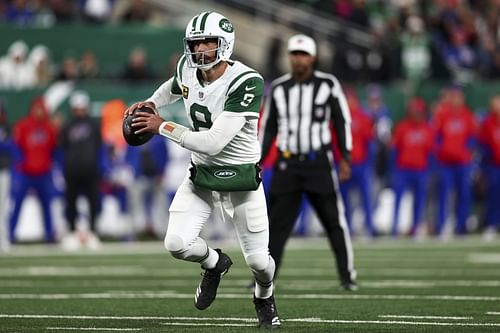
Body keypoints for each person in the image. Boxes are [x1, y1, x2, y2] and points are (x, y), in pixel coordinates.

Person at [124, 11, 280, 329]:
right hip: (203, 176)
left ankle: (264, 296)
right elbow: (173, 86)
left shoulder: (246, 81)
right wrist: (152, 102)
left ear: (224, 44)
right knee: (176, 243)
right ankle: (215, 263)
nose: (199, 51)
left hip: (241, 178)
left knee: (259, 263)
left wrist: (160, 125)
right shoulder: (188, 67)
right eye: (194, 44)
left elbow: (213, 143)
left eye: (206, 43)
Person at [259, 34, 357, 290]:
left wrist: (345, 157)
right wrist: (257, 159)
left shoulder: (328, 84)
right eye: (294, 54)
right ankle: (264, 278)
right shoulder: (279, 88)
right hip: (287, 163)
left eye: (303, 54)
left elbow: (341, 121)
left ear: (313, 57)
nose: (298, 59)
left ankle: (347, 276)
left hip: (318, 163)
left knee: (335, 223)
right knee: (276, 226)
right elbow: (268, 127)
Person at [9, 96, 58, 243]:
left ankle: (50, 236)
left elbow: (54, 149)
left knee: (47, 206)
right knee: (17, 205)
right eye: (37, 108)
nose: (39, 111)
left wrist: (50, 164)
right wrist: (22, 162)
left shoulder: (50, 128)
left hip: (43, 173)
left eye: (41, 108)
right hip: (26, 173)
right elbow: (16, 146)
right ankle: (9, 235)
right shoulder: (23, 126)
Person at [59, 91, 102, 250]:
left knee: (93, 202)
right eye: (77, 108)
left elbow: (98, 146)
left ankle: (92, 232)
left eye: (82, 107)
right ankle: (71, 232)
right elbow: (62, 147)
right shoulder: (67, 125)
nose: (80, 110)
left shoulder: (93, 124)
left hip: (90, 169)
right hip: (72, 170)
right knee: (71, 202)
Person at [433, 85, 477, 237]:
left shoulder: (467, 115)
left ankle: (461, 227)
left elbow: (472, 137)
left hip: (462, 163)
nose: (455, 100)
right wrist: (441, 151)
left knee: (464, 194)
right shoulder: (442, 115)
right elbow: (436, 136)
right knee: (444, 195)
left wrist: (467, 152)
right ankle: (442, 226)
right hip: (446, 163)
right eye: (453, 96)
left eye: (458, 97)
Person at [390, 97, 435, 238]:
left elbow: (431, 151)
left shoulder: (427, 128)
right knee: (398, 199)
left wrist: (428, 171)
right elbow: (394, 149)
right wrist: (394, 170)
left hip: (420, 170)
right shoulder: (402, 127)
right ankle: (395, 228)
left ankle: (415, 227)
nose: (416, 114)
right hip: (403, 170)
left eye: (418, 111)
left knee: (419, 201)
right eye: (413, 111)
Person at [478, 94, 500, 240]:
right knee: (493, 196)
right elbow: (483, 145)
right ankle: (492, 224)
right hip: (494, 165)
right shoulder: (488, 123)